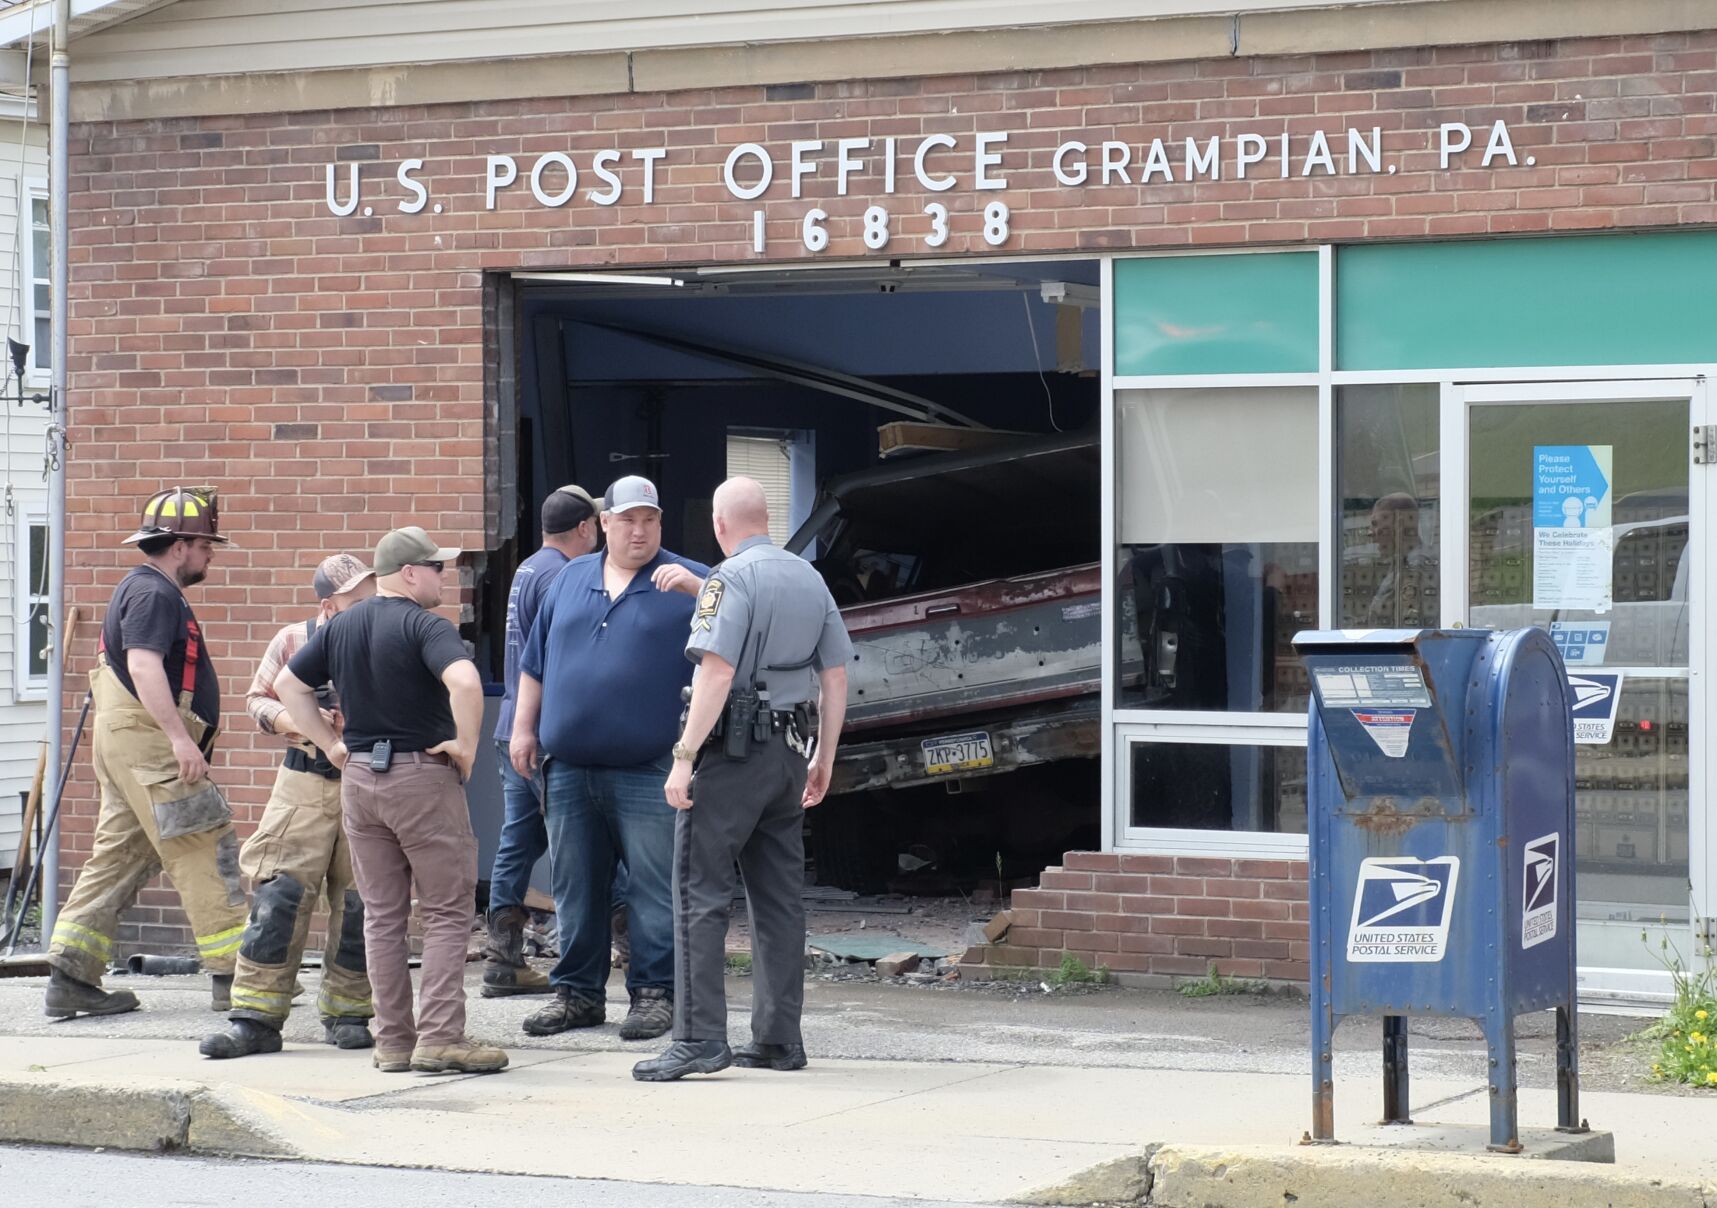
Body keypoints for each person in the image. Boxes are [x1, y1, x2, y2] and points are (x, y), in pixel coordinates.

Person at [633, 476, 851, 1083]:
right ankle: (780, 1039)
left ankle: (699, 1037)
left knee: (698, 892)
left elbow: (717, 670)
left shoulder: (727, 580)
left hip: (730, 755)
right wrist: (823, 756)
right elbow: (835, 678)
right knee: (779, 901)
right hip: (788, 752)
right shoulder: (810, 578)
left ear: (720, 525)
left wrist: (683, 754)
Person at [276, 527, 506, 1075]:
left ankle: (395, 1042)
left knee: (382, 917)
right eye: (437, 568)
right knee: (449, 912)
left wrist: (331, 745)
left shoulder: (341, 625)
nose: (442, 578)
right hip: (421, 777)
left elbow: (288, 685)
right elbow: (466, 684)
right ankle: (442, 1038)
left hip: (360, 780)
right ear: (409, 573)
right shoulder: (427, 626)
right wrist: (467, 745)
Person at [511, 475, 706, 1041]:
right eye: (627, 520)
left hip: (650, 768)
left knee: (652, 887)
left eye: (650, 519)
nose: (639, 530)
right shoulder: (569, 578)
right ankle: (576, 994)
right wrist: (524, 730)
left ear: (661, 523)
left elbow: (740, 637)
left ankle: (653, 994)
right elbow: (534, 664)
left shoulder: (687, 579)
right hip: (568, 766)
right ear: (603, 524)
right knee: (575, 887)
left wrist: (699, 590)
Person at [45, 487, 248, 1019]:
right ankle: (238, 980)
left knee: (120, 854)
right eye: (205, 544)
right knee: (203, 843)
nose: (210, 555)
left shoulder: (140, 590)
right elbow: (142, 665)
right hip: (152, 748)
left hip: (127, 743)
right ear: (179, 546)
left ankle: (70, 976)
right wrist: (180, 740)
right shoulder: (155, 594)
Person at [200, 554, 378, 1059]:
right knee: (279, 895)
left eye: (371, 593)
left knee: (360, 903)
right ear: (329, 604)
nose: (368, 605)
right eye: (356, 599)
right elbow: (257, 699)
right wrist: (295, 721)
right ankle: (255, 1018)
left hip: (364, 784)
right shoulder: (292, 640)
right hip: (302, 785)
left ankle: (349, 1011)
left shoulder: (382, 637)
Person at [483, 485, 601, 997]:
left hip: (512, 726)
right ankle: (620, 949)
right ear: (584, 528)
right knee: (590, 841)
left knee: (519, 840)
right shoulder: (565, 575)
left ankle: (502, 960)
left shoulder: (529, 568)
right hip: (547, 731)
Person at [1363, 493, 1436, 629]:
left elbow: (1410, 629)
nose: (1370, 533)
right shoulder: (1397, 566)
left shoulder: (1419, 568)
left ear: (1400, 524)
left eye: (1376, 524)